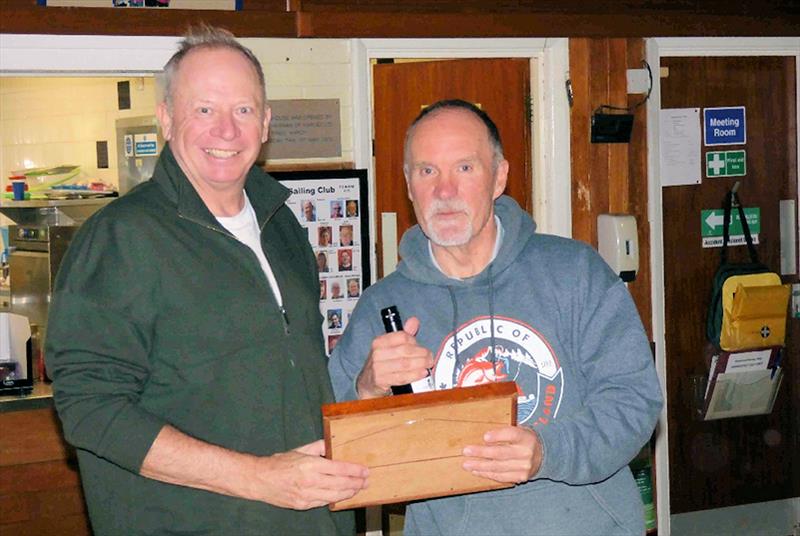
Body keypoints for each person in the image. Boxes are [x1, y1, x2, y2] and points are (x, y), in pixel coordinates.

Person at [45, 25, 367, 536]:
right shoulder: (122, 238)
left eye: (242, 110)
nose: (226, 130)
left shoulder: (283, 226)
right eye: (204, 110)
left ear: (265, 124)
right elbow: (91, 411)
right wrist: (260, 478)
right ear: (168, 119)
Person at [328, 99, 662, 535]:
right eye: (427, 171)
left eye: (464, 168)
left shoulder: (575, 272)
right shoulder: (381, 306)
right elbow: (342, 456)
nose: (444, 191)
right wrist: (368, 389)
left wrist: (547, 452)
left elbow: (635, 402)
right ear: (409, 185)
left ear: (499, 176)